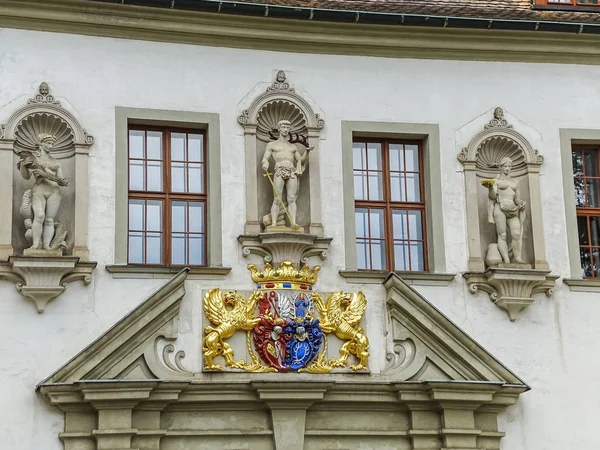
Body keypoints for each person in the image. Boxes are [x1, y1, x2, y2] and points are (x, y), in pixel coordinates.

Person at [18, 134, 70, 251]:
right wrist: (23, 165)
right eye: (48, 143)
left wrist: (61, 181)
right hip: (39, 189)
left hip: (54, 191)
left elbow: (60, 178)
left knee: (49, 219)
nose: (50, 146)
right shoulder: (35, 160)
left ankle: (47, 245)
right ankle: (36, 245)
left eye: (52, 144)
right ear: (41, 144)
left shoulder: (56, 162)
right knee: (39, 216)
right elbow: (26, 176)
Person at [261, 120, 311, 228]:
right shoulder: (272, 145)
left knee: (291, 198)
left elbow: (300, 161)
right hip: (279, 170)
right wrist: (265, 162)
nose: (286, 129)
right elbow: (265, 158)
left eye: (288, 128)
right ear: (279, 128)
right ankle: (274, 223)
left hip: (291, 171)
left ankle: (293, 222)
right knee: (277, 198)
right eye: (284, 127)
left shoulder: (292, 147)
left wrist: (307, 152)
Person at [482, 156, 526, 264]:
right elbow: (493, 197)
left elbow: (517, 199)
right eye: (505, 166)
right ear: (501, 167)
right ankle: (506, 259)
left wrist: (521, 203)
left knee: (516, 234)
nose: (507, 168)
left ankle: (517, 258)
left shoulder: (515, 182)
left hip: (513, 210)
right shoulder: (496, 181)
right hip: (500, 208)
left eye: (509, 166)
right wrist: (490, 188)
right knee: (502, 235)